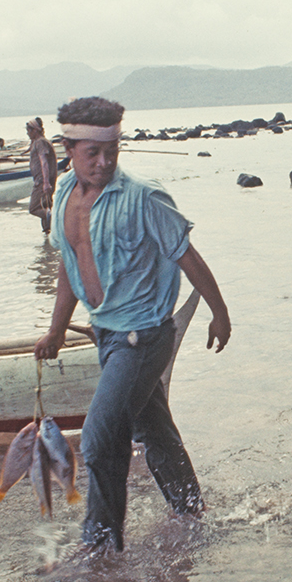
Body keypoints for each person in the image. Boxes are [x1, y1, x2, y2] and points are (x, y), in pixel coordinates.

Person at [33, 96, 231, 553]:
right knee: (153, 430)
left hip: (144, 337)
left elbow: (188, 257)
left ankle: (100, 548)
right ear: (69, 147)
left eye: (112, 152)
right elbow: (69, 263)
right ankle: (191, 512)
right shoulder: (63, 192)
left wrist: (220, 314)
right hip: (106, 332)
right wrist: (58, 329)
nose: (103, 163)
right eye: (92, 154)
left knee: (101, 441)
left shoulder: (144, 197)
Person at [26, 118, 57, 234]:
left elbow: (44, 162)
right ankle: (48, 243)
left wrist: (46, 182)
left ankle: (58, 220)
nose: (27, 133)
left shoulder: (40, 142)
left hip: (42, 181)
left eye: (29, 130)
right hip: (43, 180)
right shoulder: (38, 142)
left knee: (33, 208)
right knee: (44, 207)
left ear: (35, 130)